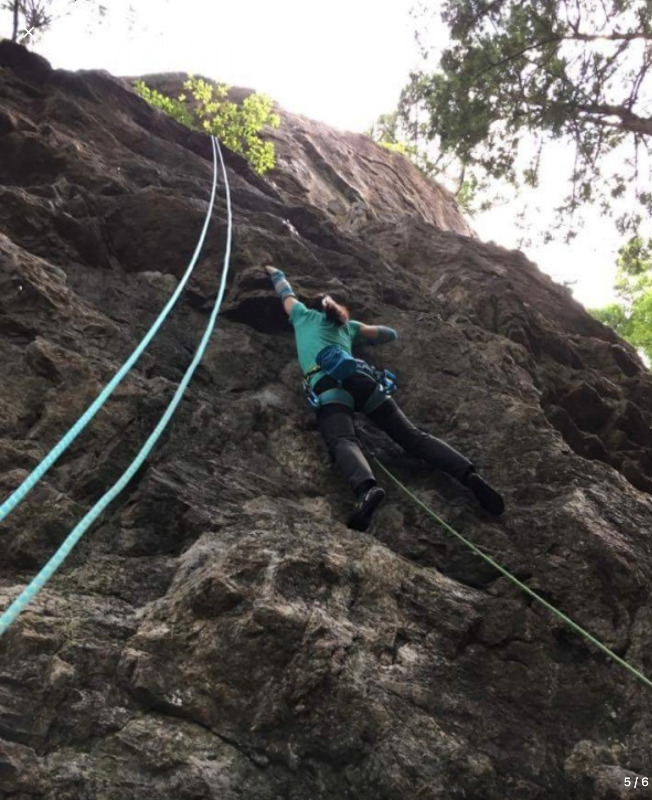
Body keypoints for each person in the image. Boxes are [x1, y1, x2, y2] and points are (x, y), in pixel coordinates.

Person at [265, 265, 505, 532]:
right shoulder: (347, 326)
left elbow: (285, 293)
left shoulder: (301, 315)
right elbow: (389, 334)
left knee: (343, 439)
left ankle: (366, 489)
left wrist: (275, 273)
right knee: (412, 437)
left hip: (328, 383)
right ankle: (469, 475)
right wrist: (358, 333)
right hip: (364, 380)